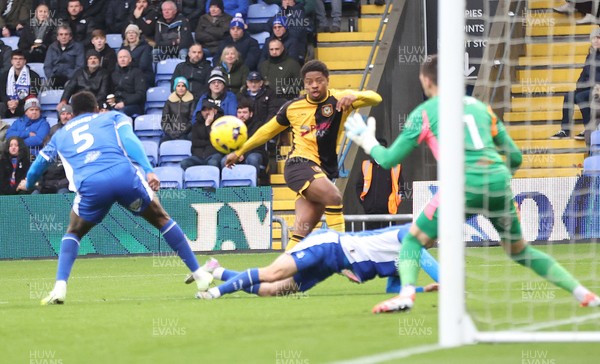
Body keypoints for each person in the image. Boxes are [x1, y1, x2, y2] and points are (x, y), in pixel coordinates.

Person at [344, 54, 600, 313]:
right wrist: (502, 186)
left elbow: (388, 160)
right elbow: (515, 156)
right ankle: (584, 293)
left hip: (462, 184)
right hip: (498, 182)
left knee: (412, 241)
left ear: (425, 80)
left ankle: (406, 295)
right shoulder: (480, 108)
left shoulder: (424, 112)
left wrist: (369, 142)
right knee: (520, 251)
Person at [20, 91, 213, 305]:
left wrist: (28, 183)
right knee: (160, 218)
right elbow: (130, 140)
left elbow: (39, 163)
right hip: (122, 177)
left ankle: (60, 288)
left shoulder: (60, 135)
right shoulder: (112, 116)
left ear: (72, 113)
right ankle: (199, 273)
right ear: (96, 108)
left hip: (91, 185)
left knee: (74, 231)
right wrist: (148, 170)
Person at [225, 60, 382, 250]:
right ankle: (343, 252)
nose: (314, 85)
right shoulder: (292, 107)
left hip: (322, 170)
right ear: (304, 84)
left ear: (327, 81)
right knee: (333, 197)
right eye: (309, 82)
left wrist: (353, 95)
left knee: (302, 231)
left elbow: (376, 98)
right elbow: (267, 131)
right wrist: (240, 151)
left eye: (319, 81)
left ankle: (281, 274)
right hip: (298, 164)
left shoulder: (339, 100)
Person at [195, 224, 439, 299]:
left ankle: (216, 270)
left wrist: (423, 289)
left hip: (332, 266)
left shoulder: (409, 259)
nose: (436, 239)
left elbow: (394, 289)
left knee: (270, 291)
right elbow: (426, 258)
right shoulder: (408, 234)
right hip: (328, 245)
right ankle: (214, 293)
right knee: (271, 273)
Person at [551, 28, 600, 140]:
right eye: (594, 38)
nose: (596, 40)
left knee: (581, 96)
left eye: (599, 38)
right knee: (569, 96)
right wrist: (579, 86)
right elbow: (584, 75)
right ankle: (565, 131)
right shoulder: (590, 55)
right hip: (588, 89)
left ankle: (589, 129)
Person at [355, 138, 404, 230]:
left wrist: (396, 202)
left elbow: (401, 187)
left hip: (389, 211)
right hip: (371, 211)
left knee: (389, 239)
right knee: (371, 239)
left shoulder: (394, 166)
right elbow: (359, 186)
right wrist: (366, 203)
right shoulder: (367, 165)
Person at [220, 100, 268, 182]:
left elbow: (256, 144)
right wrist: (236, 154)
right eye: (239, 112)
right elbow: (230, 144)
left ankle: (254, 186)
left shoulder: (258, 125)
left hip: (254, 152)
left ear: (251, 114)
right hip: (237, 154)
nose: (241, 115)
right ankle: (229, 188)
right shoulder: (233, 126)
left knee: (253, 159)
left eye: (245, 112)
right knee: (224, 160)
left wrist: (242, 154)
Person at [34, 105, 73, 195]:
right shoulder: (54, 129)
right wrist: (39, 185)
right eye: (63, 114)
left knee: (62, 193)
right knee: (35, 194)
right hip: (47, 185)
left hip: (62, 185)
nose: (65, 116)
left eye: (68, 114)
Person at [181, 99, 225, 170]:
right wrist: (210, 142)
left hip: (213, 155)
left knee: (213, 163)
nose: (207, 112)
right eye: (204, 110)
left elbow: (217, 140)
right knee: (184, 163)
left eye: (209, 109)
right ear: (201, 112)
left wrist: (208, 125)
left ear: (215, 111)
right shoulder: (196, 125)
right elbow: (195, 142)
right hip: (198, 156)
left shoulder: (221, 123)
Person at [0, 50, 42, 119]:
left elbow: (33, 93)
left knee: (31, 107)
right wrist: (8, 102)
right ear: (11, 61)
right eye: (15, 59)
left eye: (20, 59)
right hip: (8, 104)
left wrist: (18, 102)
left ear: (24, 61)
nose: (18, 61)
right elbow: (2, 92)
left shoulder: (34, 76)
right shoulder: (4, 75)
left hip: (24, 103)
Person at [110, 49, 147, 117]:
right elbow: (111, 92)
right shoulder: (114, 74)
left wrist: (124, 103)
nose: (122, 59)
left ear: (130, 59)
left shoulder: (137, 72)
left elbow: (140, 94)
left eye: (125, 57)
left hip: (133, 105)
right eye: (120, 57)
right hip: (116, 104)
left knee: (120, 114)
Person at [121, 24, 154, 88]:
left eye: (133, 32)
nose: (131, 35)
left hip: (143, 76)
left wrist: (128, 64)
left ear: (137, 35)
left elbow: (143, 65)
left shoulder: (145, 47)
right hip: (126, 75)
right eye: (128, 33)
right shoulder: (123, 47)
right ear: (126, 36)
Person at [161, 77, 194, 142]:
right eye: (178, 86)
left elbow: (192, 120)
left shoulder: (191, 101)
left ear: (186, 88)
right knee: (163, 142)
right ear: (175, 87)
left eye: (183, 86)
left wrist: (182, 131)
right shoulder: (169, 102)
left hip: (186, 133)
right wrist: (171, 132)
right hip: (171, 133)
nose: (181, 88)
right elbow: (164, 120)